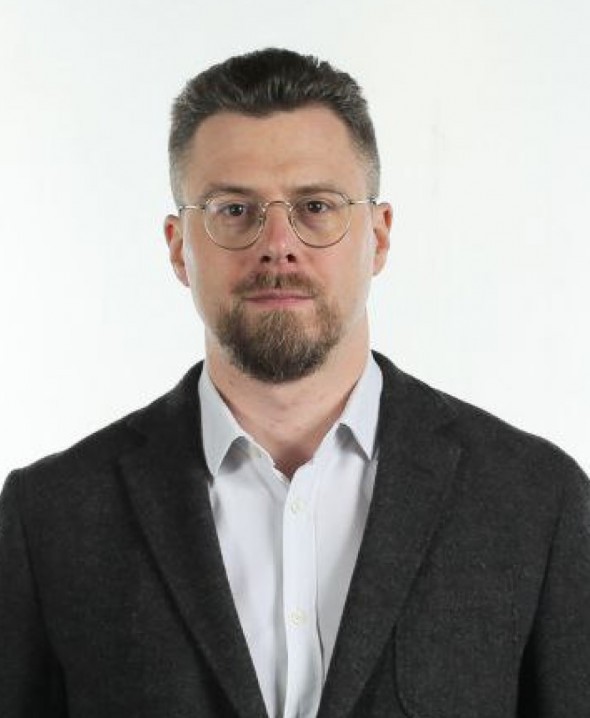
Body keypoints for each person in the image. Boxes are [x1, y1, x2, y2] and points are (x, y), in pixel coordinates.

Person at [0, 47, 589, 718]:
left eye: (315, 206)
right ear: (177, 246)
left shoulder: (535, 501)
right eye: (233, 210)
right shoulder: (49, 518)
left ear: (379, 236)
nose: (277, 244)